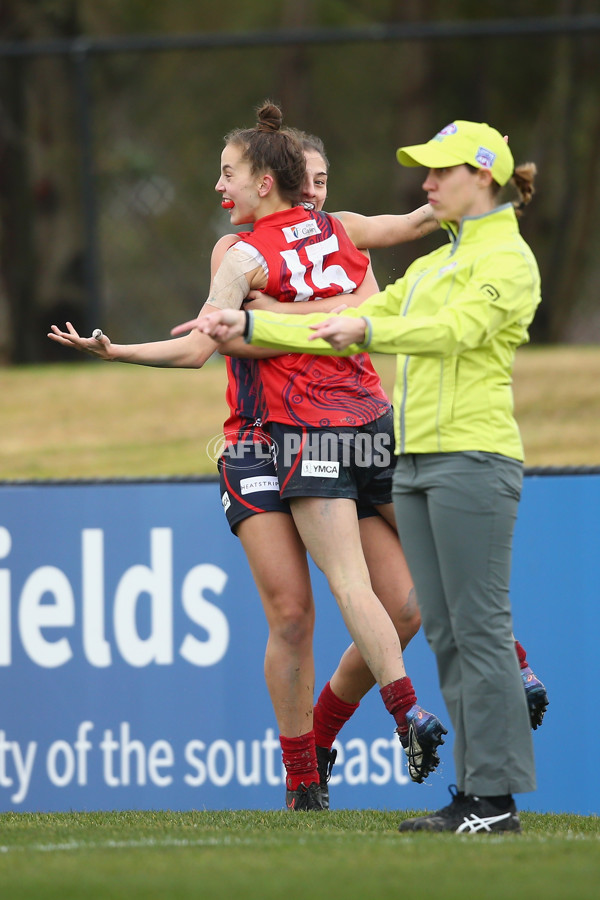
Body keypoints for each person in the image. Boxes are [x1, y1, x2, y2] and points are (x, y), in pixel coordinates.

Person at [49, 101, 447, 812]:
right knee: (293, 613)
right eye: (311, 180)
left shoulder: (337, 234)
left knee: (410, 606)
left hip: (350, 429)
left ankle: (327, 734)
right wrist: (116, 350)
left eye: (227, 171)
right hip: (261, 441)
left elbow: (365, 317)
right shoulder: (239, 254)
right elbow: (207, 343)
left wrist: (487, 183)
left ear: (270, 180)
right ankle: (303, 784)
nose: (218, 185)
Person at [189, 119, 542, 833]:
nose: (427, 182)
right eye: (427, 170)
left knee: (448, 617)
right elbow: (361, 310)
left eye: (442, 170)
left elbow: (434, 322)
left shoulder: (487, 258)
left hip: (436, 448)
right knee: (389, 620)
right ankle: (444, 791)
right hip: (345, 449)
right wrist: (254, 329)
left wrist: (353, 325)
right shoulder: (434, 261)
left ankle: (487, 790)